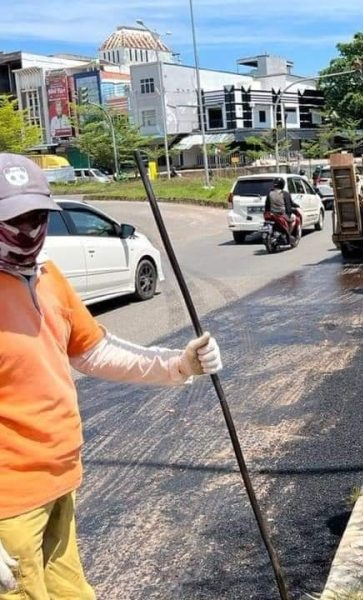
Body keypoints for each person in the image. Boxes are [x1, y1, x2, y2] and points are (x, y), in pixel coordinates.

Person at [0, 153, 223, 598]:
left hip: (60, 480)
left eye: (37, 215)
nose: (28, 230)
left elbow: (94, 351)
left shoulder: (46, 277)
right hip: (8, 505)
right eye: (13, 218)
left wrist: (179, 365)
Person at [266, 178, 298, 244]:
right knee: (294, 218)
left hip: (272, 215)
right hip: (282, 215)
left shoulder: (270, 193)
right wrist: (289, 213)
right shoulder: (285, 193)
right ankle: (289, 233)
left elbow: (267, 205)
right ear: (282, 185)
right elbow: (288, 205)